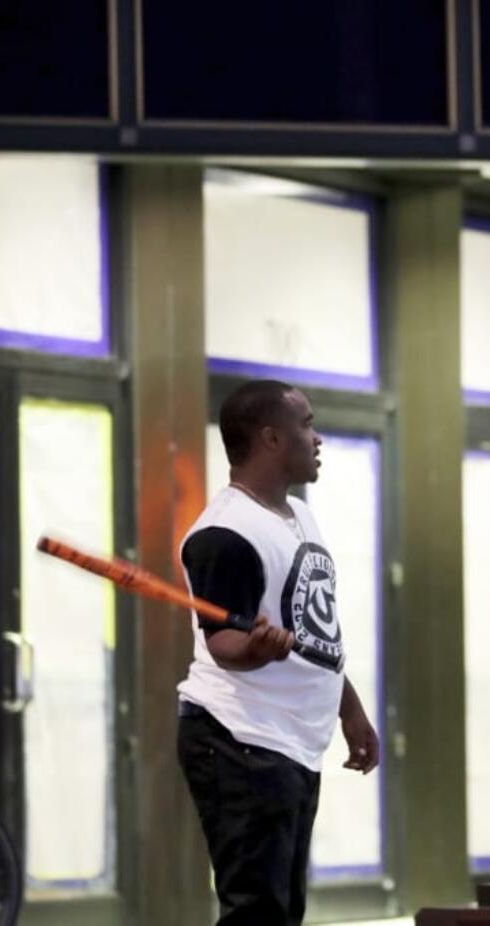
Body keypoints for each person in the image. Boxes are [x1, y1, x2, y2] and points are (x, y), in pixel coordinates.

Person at [176, 379, 379, 925]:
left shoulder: (298, 517)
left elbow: (317, 631)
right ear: (270, 437)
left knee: (283, 910)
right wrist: (257, 650)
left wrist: (350, 710)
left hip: (290, 744)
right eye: (307, 424)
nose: (318, 438)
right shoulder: (224, 534)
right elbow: (223, 644)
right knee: (257, 912)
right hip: (239, 739)